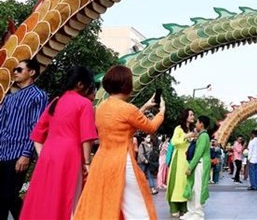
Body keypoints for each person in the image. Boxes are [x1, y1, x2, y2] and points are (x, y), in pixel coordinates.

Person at [74, 65, 166, 219]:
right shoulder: (128, 109)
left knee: (106, 204)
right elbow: (150, 127)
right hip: (123, 162)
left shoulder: (100, 107)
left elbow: (125, 128)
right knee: (138, 206)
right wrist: (161, 112)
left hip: (101, 162)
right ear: (127, 85)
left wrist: (144, 107)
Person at [20, 66, 97, 220]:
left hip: (48, 155)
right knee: (69, 199)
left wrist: (44, 155)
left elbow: (36, 136)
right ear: (81, 84)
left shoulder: (56, 101)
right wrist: (87, 162)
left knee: (46, 198)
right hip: (69, 156)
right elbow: (87, 138)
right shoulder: (84, 103)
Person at [0, 59, 47, 220]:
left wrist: (26, 154)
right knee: (7, 196)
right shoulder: (9, 99)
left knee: (7, 195)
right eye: (14, 69)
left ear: (32, 72)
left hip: (18, 153)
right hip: (2, 151)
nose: (15, 72)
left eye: (19, 70)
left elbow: (37, 127)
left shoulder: (38, 96)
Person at [167, 109, 197, 217]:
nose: (193, 117)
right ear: (185, 116)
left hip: (189, 159)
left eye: (193, 115)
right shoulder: (179, 129)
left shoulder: (194, 130)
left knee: (186, 182)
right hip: (179, 158)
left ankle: (184, 206)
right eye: (191, 115)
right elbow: (174, 142)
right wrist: (186, 136)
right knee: (177, 182)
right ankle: (174, 207)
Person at [182, 115, 211, 220]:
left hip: (201, 164)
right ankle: (192, 211)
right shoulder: (202, 135)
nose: (196, 124)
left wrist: (190, 167)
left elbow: (198, 153)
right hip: (198, 164)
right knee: (193, 188)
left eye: (197, 122)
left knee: (198, 188)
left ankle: (198, 213)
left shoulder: (204, 136)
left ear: (202, 124)